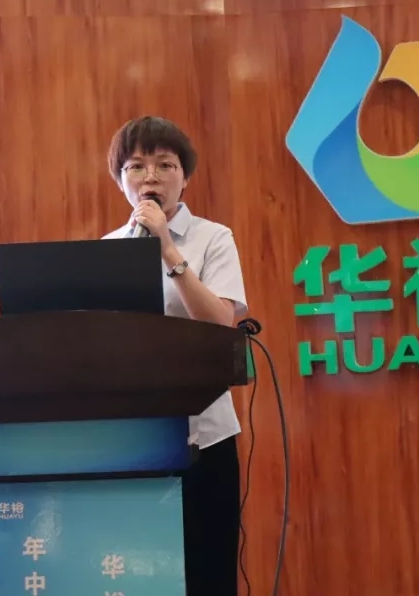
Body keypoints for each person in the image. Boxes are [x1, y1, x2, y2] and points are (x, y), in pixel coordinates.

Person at [103, 115, 247, 596]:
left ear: (185, 176)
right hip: (129, 440)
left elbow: (220, 322)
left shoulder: (213, 238)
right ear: (121, 180)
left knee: (207, 576)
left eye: (165, 165)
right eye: (136, 166)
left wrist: (168, 249)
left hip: (203, 438)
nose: (151, 176)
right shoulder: (106, 249)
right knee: (140, 576)